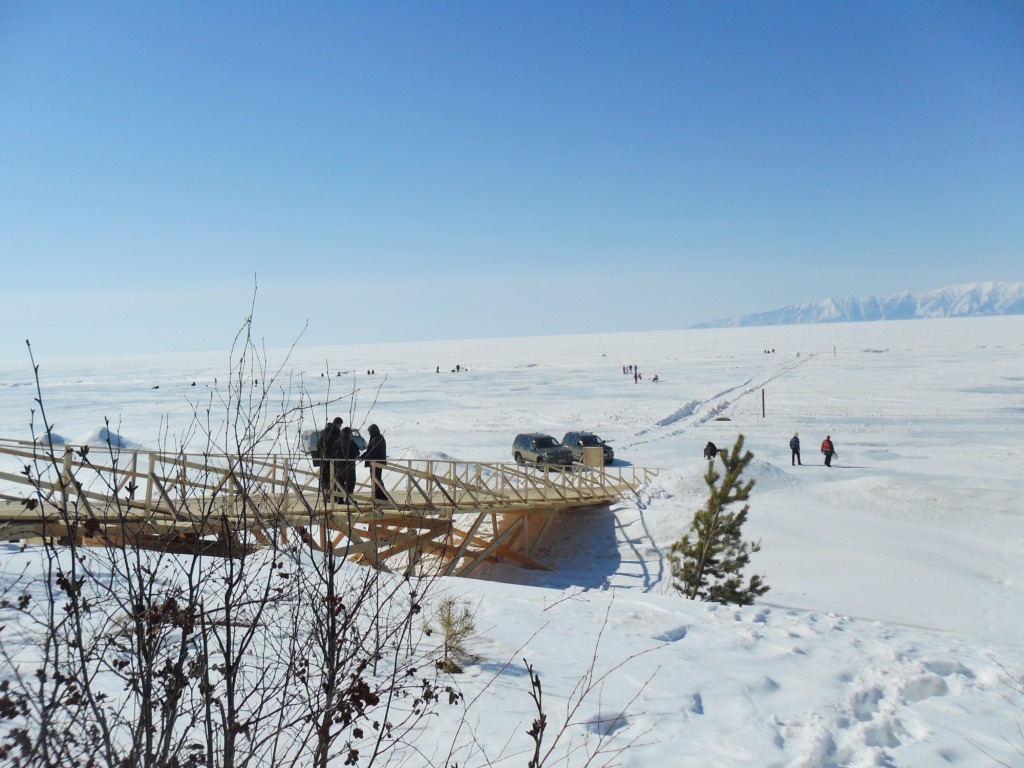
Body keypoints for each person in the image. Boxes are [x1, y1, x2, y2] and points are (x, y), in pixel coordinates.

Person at [317, 417, 344, 499]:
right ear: (337, 423)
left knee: (327, 477)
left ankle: (328, 495)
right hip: (331, 458)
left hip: (327, 457)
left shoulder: (326, 431)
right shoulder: (333, 432)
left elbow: (319, 444)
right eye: (340, 424)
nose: (340, 426)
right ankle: (330, 495)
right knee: (331, 477)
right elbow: (335, 444)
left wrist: (322, 453)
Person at [361, 423, 388, 501]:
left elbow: (373, 451)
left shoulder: (377, 439)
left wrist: (363, 456)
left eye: (370, 432)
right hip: (375, 462)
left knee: (377, 479)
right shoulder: (377, 438)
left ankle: (382, 495)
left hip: (376, 462)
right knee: (376, 478)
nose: (369, 434)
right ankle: (378, 495)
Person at [338, 426, 361, 500]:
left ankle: (340, 498)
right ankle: (349, 499)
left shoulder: (338, 441)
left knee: (340, 481)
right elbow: (357, 452)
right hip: (349, 465)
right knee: (350, 481)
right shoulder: (351, 442)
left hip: (338, 465)